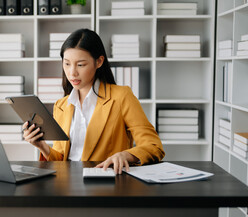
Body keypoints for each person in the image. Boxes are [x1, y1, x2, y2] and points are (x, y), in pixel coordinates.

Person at [22, 28, 165, 174]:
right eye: (67, 64)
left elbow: (154, 146)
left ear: (99, 61)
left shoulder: (121, 97)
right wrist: (41, 146)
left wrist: (126, 155)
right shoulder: (61, 105)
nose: (72, 73)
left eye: (80, 65)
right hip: (66, 185)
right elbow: (61, 161)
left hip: (106, 183)